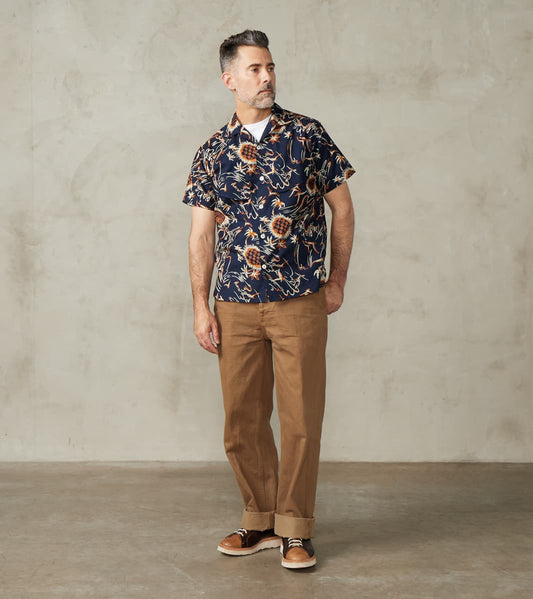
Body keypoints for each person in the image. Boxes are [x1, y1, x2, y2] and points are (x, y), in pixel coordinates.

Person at [182, 29, 355, 569]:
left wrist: (336, 280)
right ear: (229, 79)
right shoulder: (212, 151)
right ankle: (259, 519)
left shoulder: (308, 135)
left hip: (299, 298)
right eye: (255, 69)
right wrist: (200, 305)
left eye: (270, 67)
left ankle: (295, 529)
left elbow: (343, 210)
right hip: (234, 302)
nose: (266, 77)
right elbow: (201, 235)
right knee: (242, 419)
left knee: (301, 417)